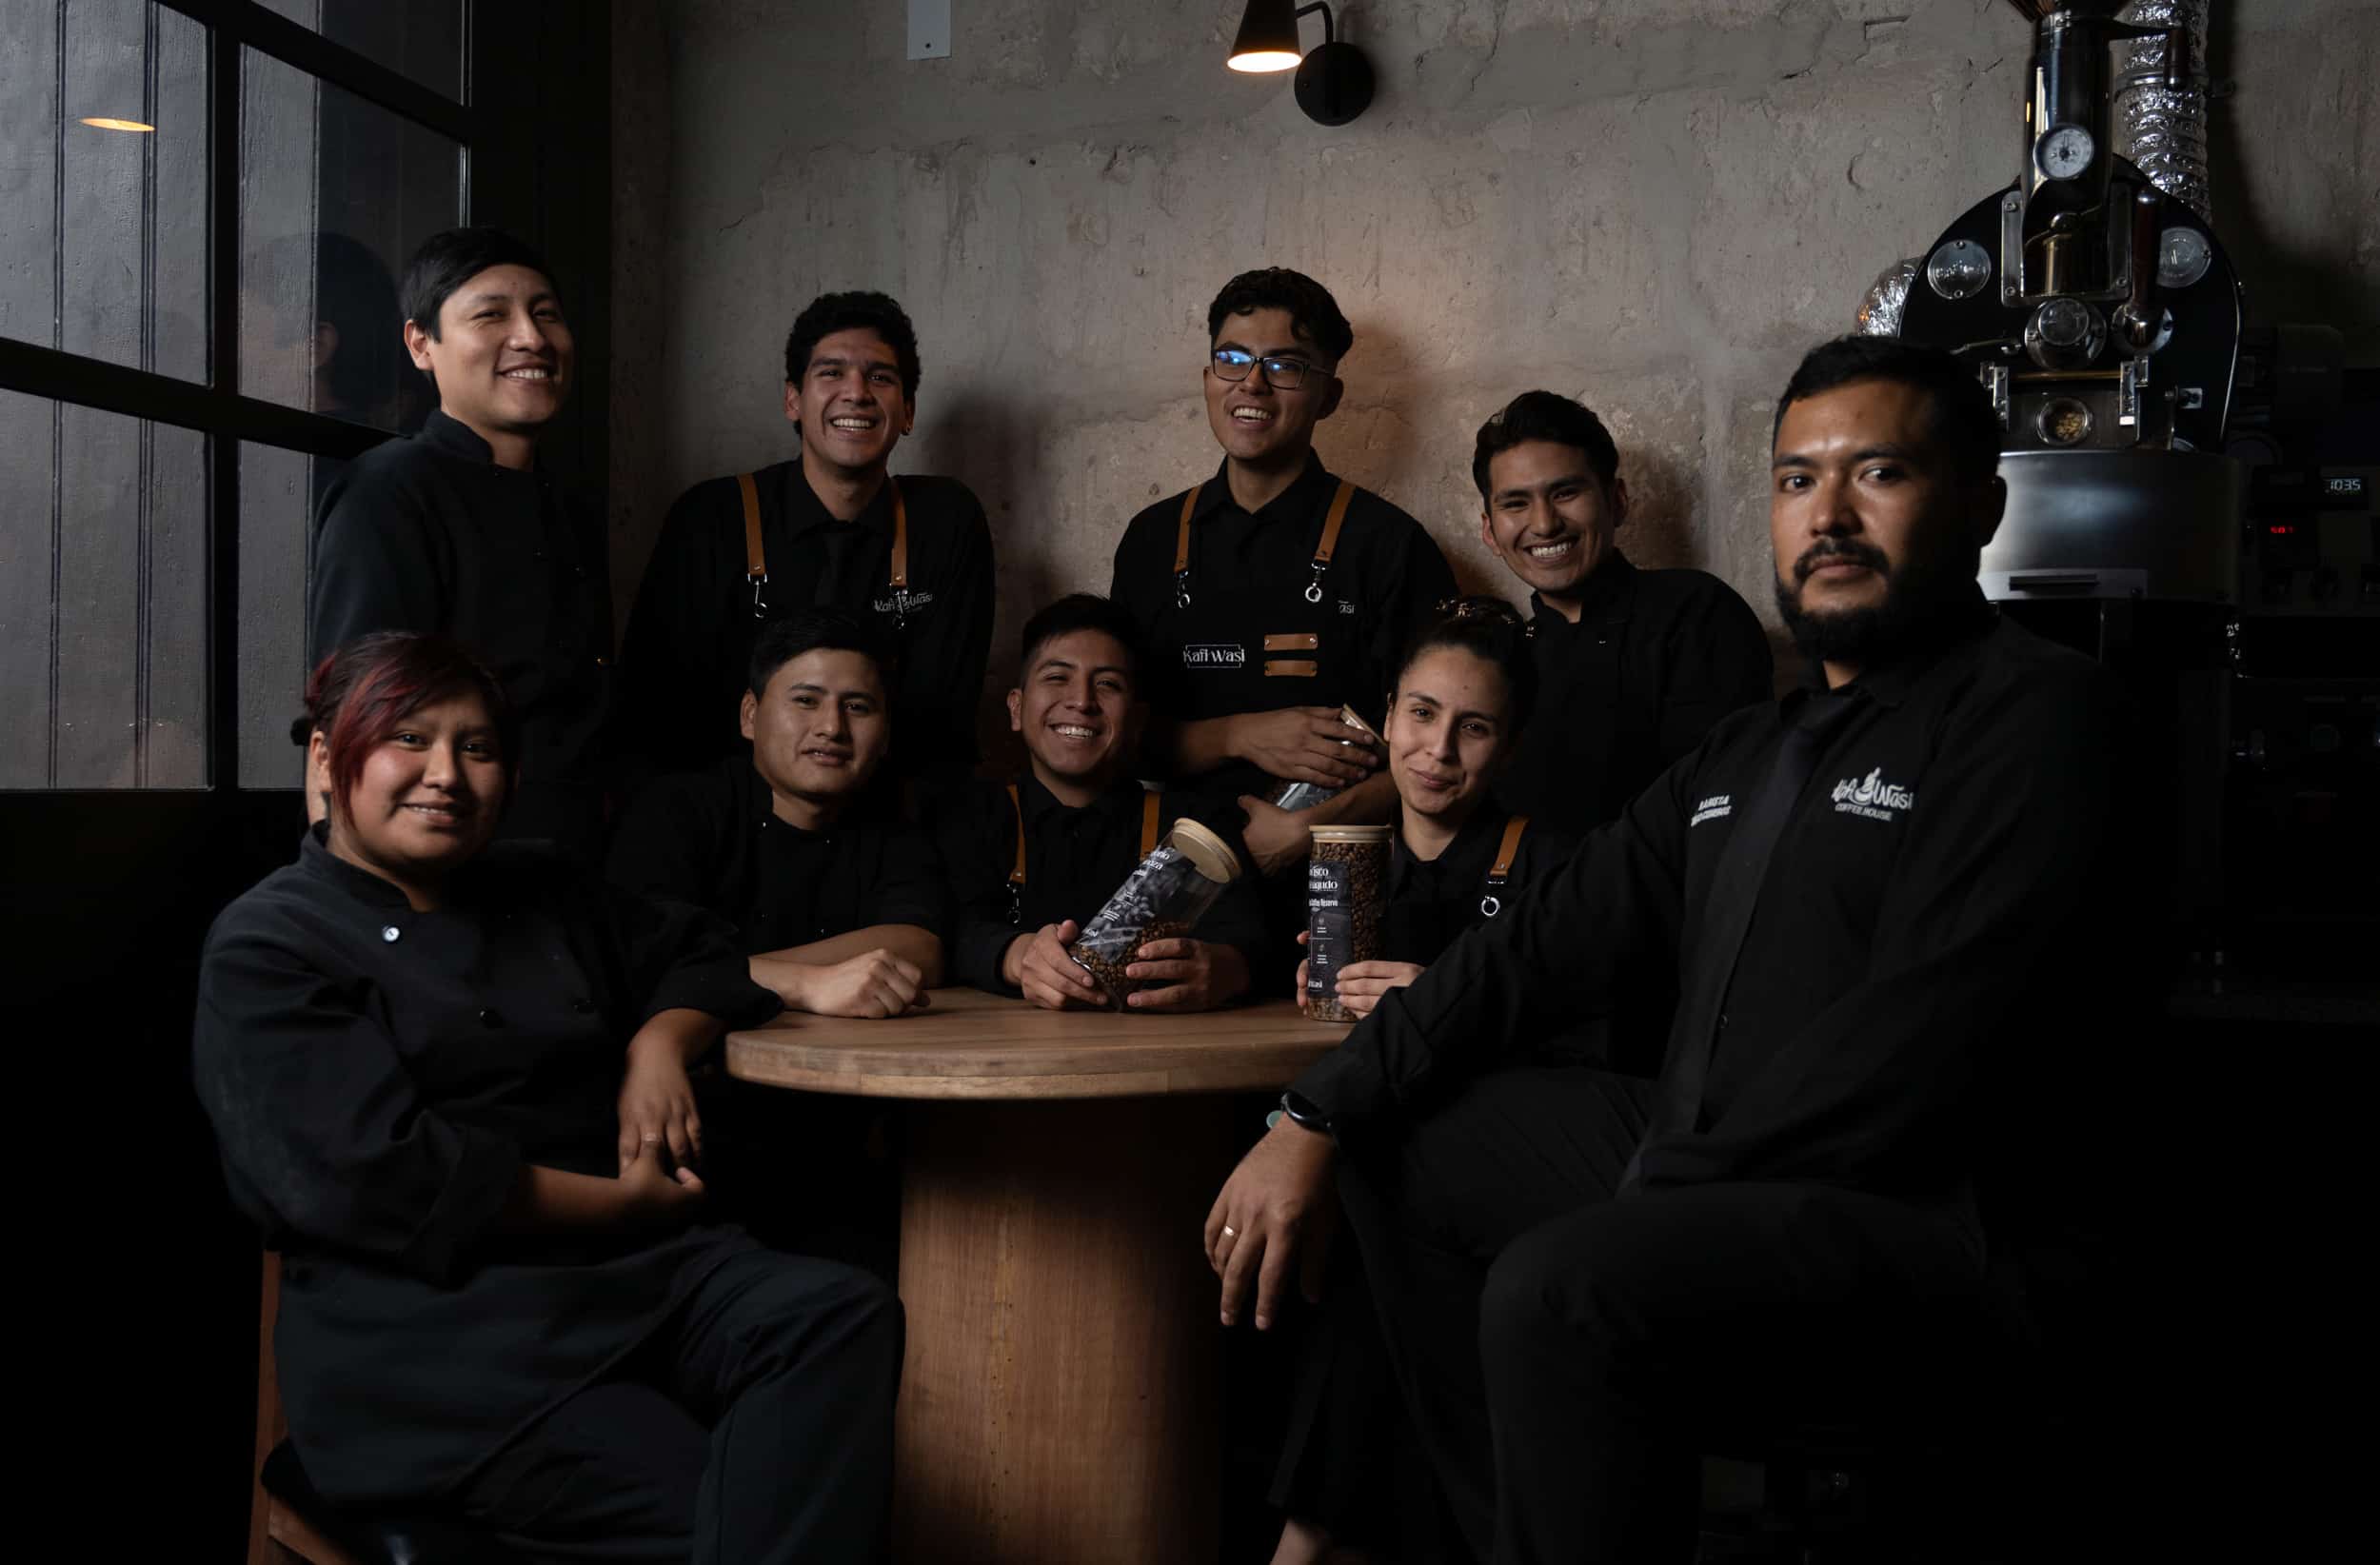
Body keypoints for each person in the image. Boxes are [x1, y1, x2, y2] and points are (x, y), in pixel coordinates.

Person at [1205, 337, 2138, 1564]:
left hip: (1927, 1218)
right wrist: (1313, 1115)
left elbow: (1916, 1045)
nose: (1831, 514)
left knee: (1562, 1281)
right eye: (1799, 481)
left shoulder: (2035, 715)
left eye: (1880, 475)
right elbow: (1536, 944)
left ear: (1979, 504)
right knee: (1401, 1145)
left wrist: (1667, 1183)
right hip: (1716, 1165)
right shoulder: (1751, 753)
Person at [193, 631, 902, 1563]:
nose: (445, 774)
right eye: (410, 738)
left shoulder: (541, 885)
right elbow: (387, 1179)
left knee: (838, 1312)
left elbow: (698, 953)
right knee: (745, 1511)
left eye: (478, 748)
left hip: (640, 1283)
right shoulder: (271, 943)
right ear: (329, 758)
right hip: (442, 1351)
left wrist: (659, 1042)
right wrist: (622, 1203)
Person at [1270, 600, 1592, 1565]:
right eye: (1419, 715)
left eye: (1473, 726)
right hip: (1354, 1179)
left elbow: (1592, 1069)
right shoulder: (1346, 869)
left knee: (1377, 1287)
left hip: (1500, 1207)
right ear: (1387, 714)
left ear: (1509, 744)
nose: (1437, 750)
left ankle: (1303, 1545)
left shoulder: (1549, 868)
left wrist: (1447, 1007)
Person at [1107, 268, 1457, 895]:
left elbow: (1438, 755)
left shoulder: (1389, 546)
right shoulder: (1152, 541)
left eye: (1286, 365)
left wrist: (1314, 828)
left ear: (1330, 395)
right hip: (1176, 890)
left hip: (1337, 891)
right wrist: (1242, 734)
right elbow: (1112, 739)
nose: (1253, 384)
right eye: (1233, 359)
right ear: (1207, 378)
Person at [308, 226, 615, 862]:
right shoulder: (389, 490)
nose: (531, 337)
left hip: (583, 859)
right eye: (492, 315)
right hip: (452, 863)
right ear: (421, 344)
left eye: (546, 314)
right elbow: (353, 717)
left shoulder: (569, 510)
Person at [620, 289, 995, 785]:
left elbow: (942, 728)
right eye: (831, 372)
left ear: (907, 411)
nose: (857, 392)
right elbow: (654, 715)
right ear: (792, 400)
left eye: (880, 377)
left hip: (892, 820)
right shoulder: (711, 519)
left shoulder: (945, 522)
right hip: (730, 820)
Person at [933, 592, 1266, 1013]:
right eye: (1057, 677)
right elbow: (947, 930)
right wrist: (1017, 957)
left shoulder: (1194, 824)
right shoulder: (972, 816)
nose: (1082, 702)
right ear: (1016, 708)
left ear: (1138, 721)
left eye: (1107, 684)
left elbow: (1256, 937)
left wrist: (1229, 969)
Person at [607, 607, 945, 1017]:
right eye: (806, 700)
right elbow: (638, 960)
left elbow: (920, 948)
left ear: (886, 734)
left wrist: (731, 971)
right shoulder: (678, 810)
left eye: (857, 707)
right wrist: (805, 983)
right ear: (750, 715)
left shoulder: (893, 821)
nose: (832, 728)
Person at [1473, 390, 1773, 835]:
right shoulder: (1504, 659)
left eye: (1566, 492)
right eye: (1515, 503)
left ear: (1617, 501)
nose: (1544, 523)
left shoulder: (1695, 613)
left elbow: (1714, 810)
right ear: (1491, 532)